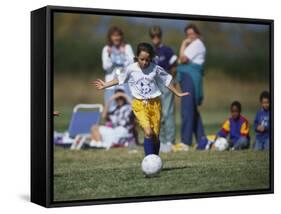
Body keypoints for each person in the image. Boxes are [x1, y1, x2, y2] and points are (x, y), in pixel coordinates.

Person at [93, 42, 189, 156]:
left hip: (155, 104)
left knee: (155, 136)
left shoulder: (155, 68)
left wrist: (177, 93)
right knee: (148, 132)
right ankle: (149, 158)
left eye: (147, 60)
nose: (145, 62)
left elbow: (167, 80)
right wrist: (105, 85)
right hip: (139, 104)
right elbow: (118, 79)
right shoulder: (131, 69)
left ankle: (154, 158)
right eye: (142, 59)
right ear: (136, 57)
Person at [175, 24, 206, 151]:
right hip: (190, 77)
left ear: (197, 34)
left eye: (192, 34)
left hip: (190, 77)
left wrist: (183, 43)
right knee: (192, 110)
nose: (190, 37)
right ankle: (201, 140)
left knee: (187, 109)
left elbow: (182, 59)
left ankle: (186, 142)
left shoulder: (197, 44)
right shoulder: (195, 45)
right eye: (187, 35)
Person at [149, 26, 177, 152]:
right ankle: (163, 140)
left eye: (157, 36)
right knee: (158, 113)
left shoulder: (167, 50)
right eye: (153, 36)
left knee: (167, 112)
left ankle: (170, 141)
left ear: (160, 36)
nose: (155, 39)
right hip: (154, 85)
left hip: (166, 83)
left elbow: (174, 66)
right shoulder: (150, 51)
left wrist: (170, 80)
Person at [102, 26, 134, 110]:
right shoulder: (106, 49)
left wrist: (123, 54)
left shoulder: (127, 47)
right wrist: (110, 56)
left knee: (129, 109)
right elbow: (106, 67)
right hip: (111, 85)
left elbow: (133, 64)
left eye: (118, 35)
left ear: (121, 37)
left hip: (126, 83)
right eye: (114, 36)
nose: (116, 38)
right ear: (110, 37)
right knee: (111, 109)